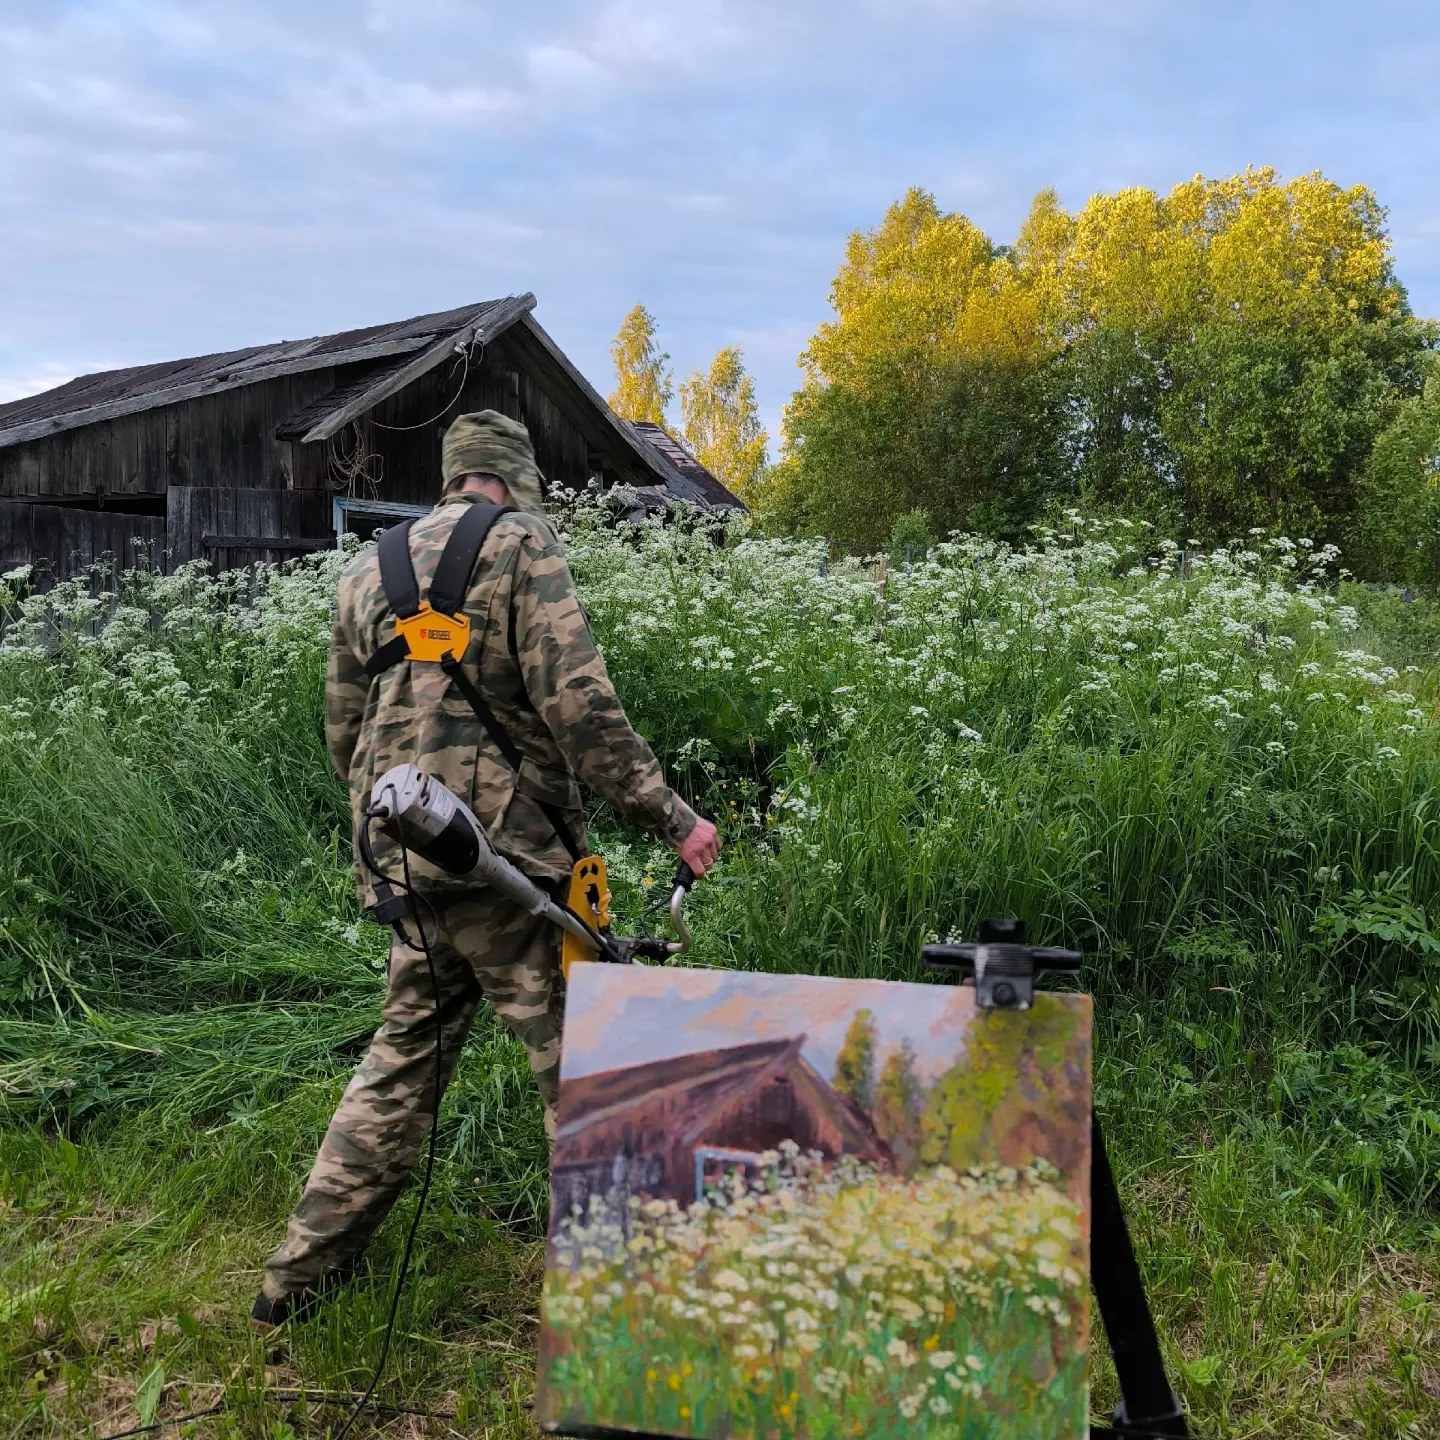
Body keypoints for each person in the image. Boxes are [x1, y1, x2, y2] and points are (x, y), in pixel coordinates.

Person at [253, 410, 720, 1328]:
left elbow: (344, 737)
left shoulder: (367, 571)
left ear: (453, 476)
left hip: (406, 856)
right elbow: (582, 710)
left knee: (397, 1068)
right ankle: (625, 1326)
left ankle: (292, 1284)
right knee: (587, 1077)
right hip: (509, 869)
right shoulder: (520, 549)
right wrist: (674, 818)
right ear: (515, 481)